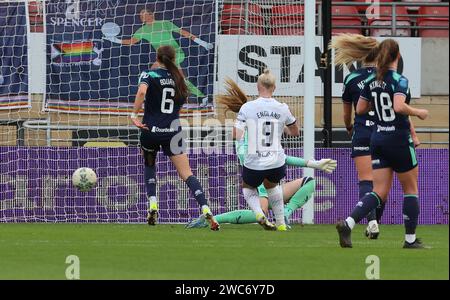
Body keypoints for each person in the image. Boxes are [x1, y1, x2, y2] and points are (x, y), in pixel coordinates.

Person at [185, 78, 337, 228]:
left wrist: (312, 164)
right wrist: (311, 163)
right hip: (260, 181)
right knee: (262, 211)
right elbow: (250, 158)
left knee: (309, 182)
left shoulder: (251, 130)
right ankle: (213, 218)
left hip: (269, 177)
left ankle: (286, 212)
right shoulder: (243, 141)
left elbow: (281, 156)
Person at [336, 39, 429, 248]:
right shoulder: (399, 80)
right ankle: (410, 240)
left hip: (377, 139)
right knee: (410, 189)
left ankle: (349, 223)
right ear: (397, 56)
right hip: (398, 139)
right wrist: (418, 112)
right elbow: (398, 106)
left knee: (378, 191)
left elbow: (359, 110)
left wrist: (376, 109)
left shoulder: (371, 82)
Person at [130, 45, 219, 231]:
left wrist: (134, 115)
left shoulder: (149, 75)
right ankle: (205, 207)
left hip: (150, 130)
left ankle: (153, 203)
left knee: (149, 165)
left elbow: (141, 92)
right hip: (173, 131)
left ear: (157, 58)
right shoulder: (179, 79)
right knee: (187, 174)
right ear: (174, 58)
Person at [330, 34, 384, 239]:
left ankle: (371, 222)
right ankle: (375, 222)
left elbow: (346, 114)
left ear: (360, 56)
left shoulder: (352, 78)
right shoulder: (385, 77)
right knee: (382, 184)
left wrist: (349, 127)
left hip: (362, 133)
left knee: (366, 181)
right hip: (384, 134)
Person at [103, 6, 212, 101]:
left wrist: (202, 43)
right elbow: (131, 42)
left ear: (151, 15)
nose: (142, 17)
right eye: (140, 15)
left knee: (154, 69)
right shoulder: (142, 30)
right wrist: (115, 40)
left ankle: (148, 94)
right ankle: (201, 97)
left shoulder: (165, 23)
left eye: (144, 14)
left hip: (176, 53)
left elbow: (183, 32)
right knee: (180, 79)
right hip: (163, 57)